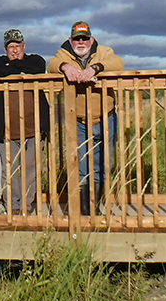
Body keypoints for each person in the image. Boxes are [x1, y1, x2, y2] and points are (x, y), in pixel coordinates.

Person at [47, 21, 124, 215]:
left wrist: (95, 68)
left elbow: (118, 64)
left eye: (84, 38)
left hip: (106, 117)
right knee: (81, 165)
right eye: (77, 39)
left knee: (103, 163)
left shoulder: (104, 51)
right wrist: (65, 67)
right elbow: (51, 64)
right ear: (70, 40)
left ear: (92, 40)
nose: (81, 42)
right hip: (78, 121)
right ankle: (84, 210)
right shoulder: (64, 53)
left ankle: (97, 206)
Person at [0, 29, 49, 215]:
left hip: (34, 129)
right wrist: (16, 68)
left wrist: (11, 68)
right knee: (9, 170)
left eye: (18, 46)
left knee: (31, 169)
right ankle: (13, 205)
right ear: (5, 49)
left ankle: (26, 207)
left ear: (24, 47)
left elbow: (39, 67)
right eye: (11, 47)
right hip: (6, 130)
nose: (14, 50)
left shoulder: (34, 60)